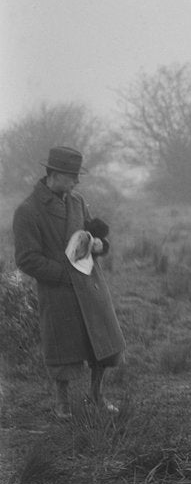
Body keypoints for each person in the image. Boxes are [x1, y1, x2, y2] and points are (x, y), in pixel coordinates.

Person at [12, 146, 126, 418]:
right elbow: (27, 259)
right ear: (54, 174)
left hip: (90, 284)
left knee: (104, 341)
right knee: (63, 348)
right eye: (72, 176)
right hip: (58, 290)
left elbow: (88, 234)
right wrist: (64, 275)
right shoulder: (28, 211)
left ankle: (96, 397)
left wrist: (100, 244)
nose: (76, 181)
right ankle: (63, 405)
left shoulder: (77, 201)